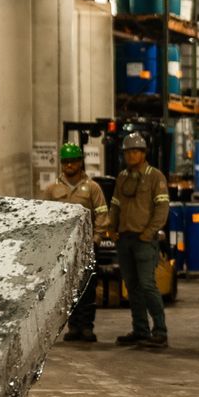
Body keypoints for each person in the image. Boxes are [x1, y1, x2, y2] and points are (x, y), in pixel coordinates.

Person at [44, 142, 108, 342]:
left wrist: (96, 239)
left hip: (86, 246)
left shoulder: (92, 188)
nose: (69, 165)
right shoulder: (53, 189)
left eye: (73, 161)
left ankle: (87, 327)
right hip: (64, 249)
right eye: (66, 162)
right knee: (68, 289)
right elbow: (46, 217)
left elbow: (102, 214)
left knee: (87, 288)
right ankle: (73, 327)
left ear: (80, 162)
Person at [111, 131, 171, 349]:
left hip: (144, 240)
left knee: (147, 285)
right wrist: (112, 227)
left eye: (135, 151)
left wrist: (150, 231)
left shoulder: (155, 177)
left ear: (144, 153)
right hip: (125, 239)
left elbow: (162, 207)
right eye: (127, 152)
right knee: (132, 287)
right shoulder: (122, 177)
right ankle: (140, 330)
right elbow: (116, 205)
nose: (130, 155)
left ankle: (160, 331)